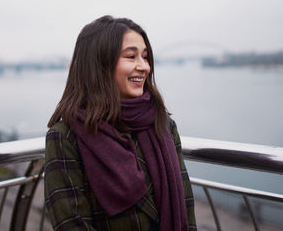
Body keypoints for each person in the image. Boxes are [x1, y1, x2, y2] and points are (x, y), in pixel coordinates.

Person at [44, 15, 197, 231]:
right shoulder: (66, 137)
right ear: (100, 64)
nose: (144, 66)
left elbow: (186, 206)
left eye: (145, 57)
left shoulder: (162, 125)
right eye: (131, 56)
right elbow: (71, 224)